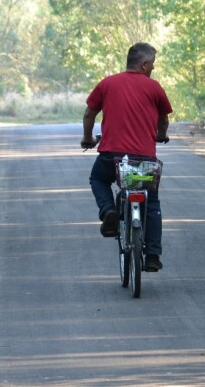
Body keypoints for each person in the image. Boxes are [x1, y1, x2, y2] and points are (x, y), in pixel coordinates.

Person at [81, 42, 172, 272]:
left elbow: (89, 112)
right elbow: (163, 119)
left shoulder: (107, 83)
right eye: (152, 64)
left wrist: (87, 138)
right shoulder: (154, 87)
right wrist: (161, 135)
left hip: (112, 157)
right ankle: (152, 255)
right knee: (151, 201)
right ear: (144, 64)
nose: (153, 68)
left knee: (99, 179)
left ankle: (108, 211)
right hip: (144, 158)